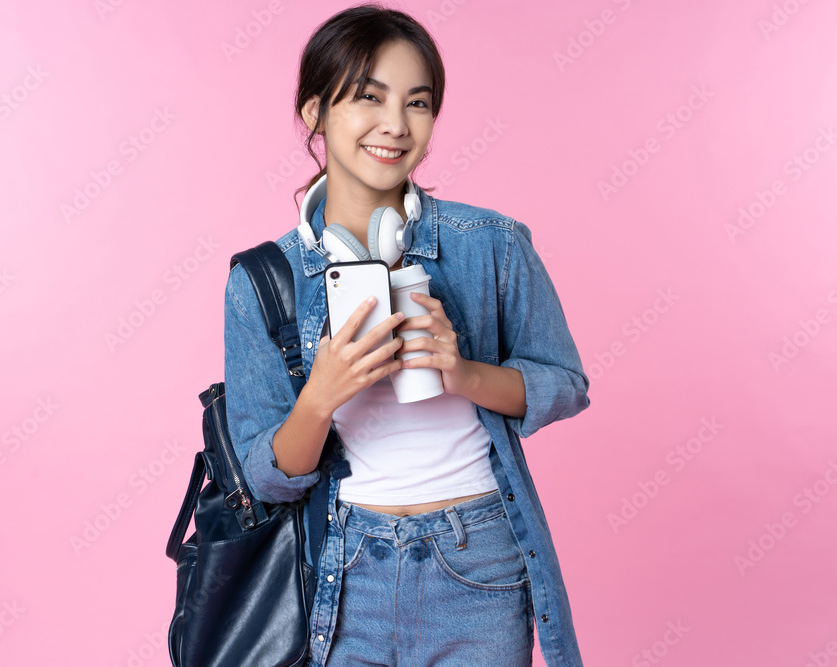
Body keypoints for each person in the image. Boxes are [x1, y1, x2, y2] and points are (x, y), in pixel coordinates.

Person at [223, 5, 591, 666]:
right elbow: (264, 476)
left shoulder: (491, 245)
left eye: (417, 103)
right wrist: (319, 398)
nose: (396, 125)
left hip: (478, 561)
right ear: (315, 112)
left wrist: (464, 370)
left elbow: (565, 384)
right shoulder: (264, 281)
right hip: (346, 570)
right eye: (369, 97)